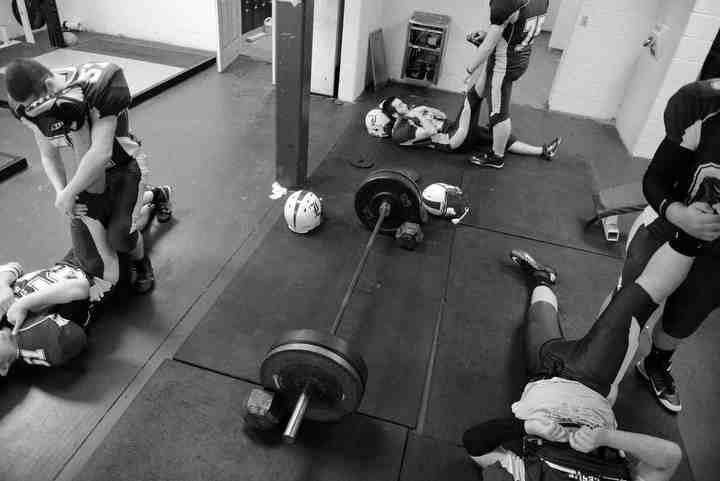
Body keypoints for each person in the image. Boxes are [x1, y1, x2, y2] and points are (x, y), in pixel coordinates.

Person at [462, 242, 692, 481]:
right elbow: (669, 457)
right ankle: (693, 231)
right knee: (633, 301)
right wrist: (605, 438)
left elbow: (475, 445)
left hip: (543, 372)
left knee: (538, 315)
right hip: (591, 381)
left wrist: (528, 428)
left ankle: (541, 279)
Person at [610, 78, 720, 413]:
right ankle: (598, 367)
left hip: (716, 253)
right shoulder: (703, 107)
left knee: (684, 318)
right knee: (627, 306)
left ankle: (654, 364)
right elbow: (654, 179)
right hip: (668, 228)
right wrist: (681, 215)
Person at [5, 58, 157, 293]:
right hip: (86, 177)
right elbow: (48, 155)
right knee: (91, 259)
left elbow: (101, 153)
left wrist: (70, 193)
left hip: (124, 168)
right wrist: (62, 193)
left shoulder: (98, 88)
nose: (34, 110)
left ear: (48, 86)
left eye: (35, 104)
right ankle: (149, 198)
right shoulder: (28, 107)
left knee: (119, 237)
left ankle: (142, 262)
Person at [0, 186, 172, 376]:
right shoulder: (42, 344)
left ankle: (150, 200)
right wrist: (24, 303)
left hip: (69, 263)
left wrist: (3, 287)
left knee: (110, 217)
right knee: (105, 220)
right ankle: (154, 199)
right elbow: (80, 288)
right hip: (99, 276)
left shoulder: (2, 315)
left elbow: (12, 267)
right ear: (4, 367)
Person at [464, 0, 550, 168]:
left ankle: (497, 157)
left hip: (503, 65)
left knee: (498, 112)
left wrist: (468, 70)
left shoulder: (506, 2)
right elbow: (516, 26)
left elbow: (488, 46)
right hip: (520, 56)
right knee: (480, 93)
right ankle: (493, 132)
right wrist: (488, 34)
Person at [367, 93, 561, 162]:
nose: (405, 106)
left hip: (452, 127)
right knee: (472, 99)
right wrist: (417, 114)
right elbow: (432, 132)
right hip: (451, 141)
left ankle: (543, 151)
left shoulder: (413, 112)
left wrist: (426, 109)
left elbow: (442, 116)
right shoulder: (400, 132)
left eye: (402, 103)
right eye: (400, 106)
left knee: (499, 137)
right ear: (393, 115)